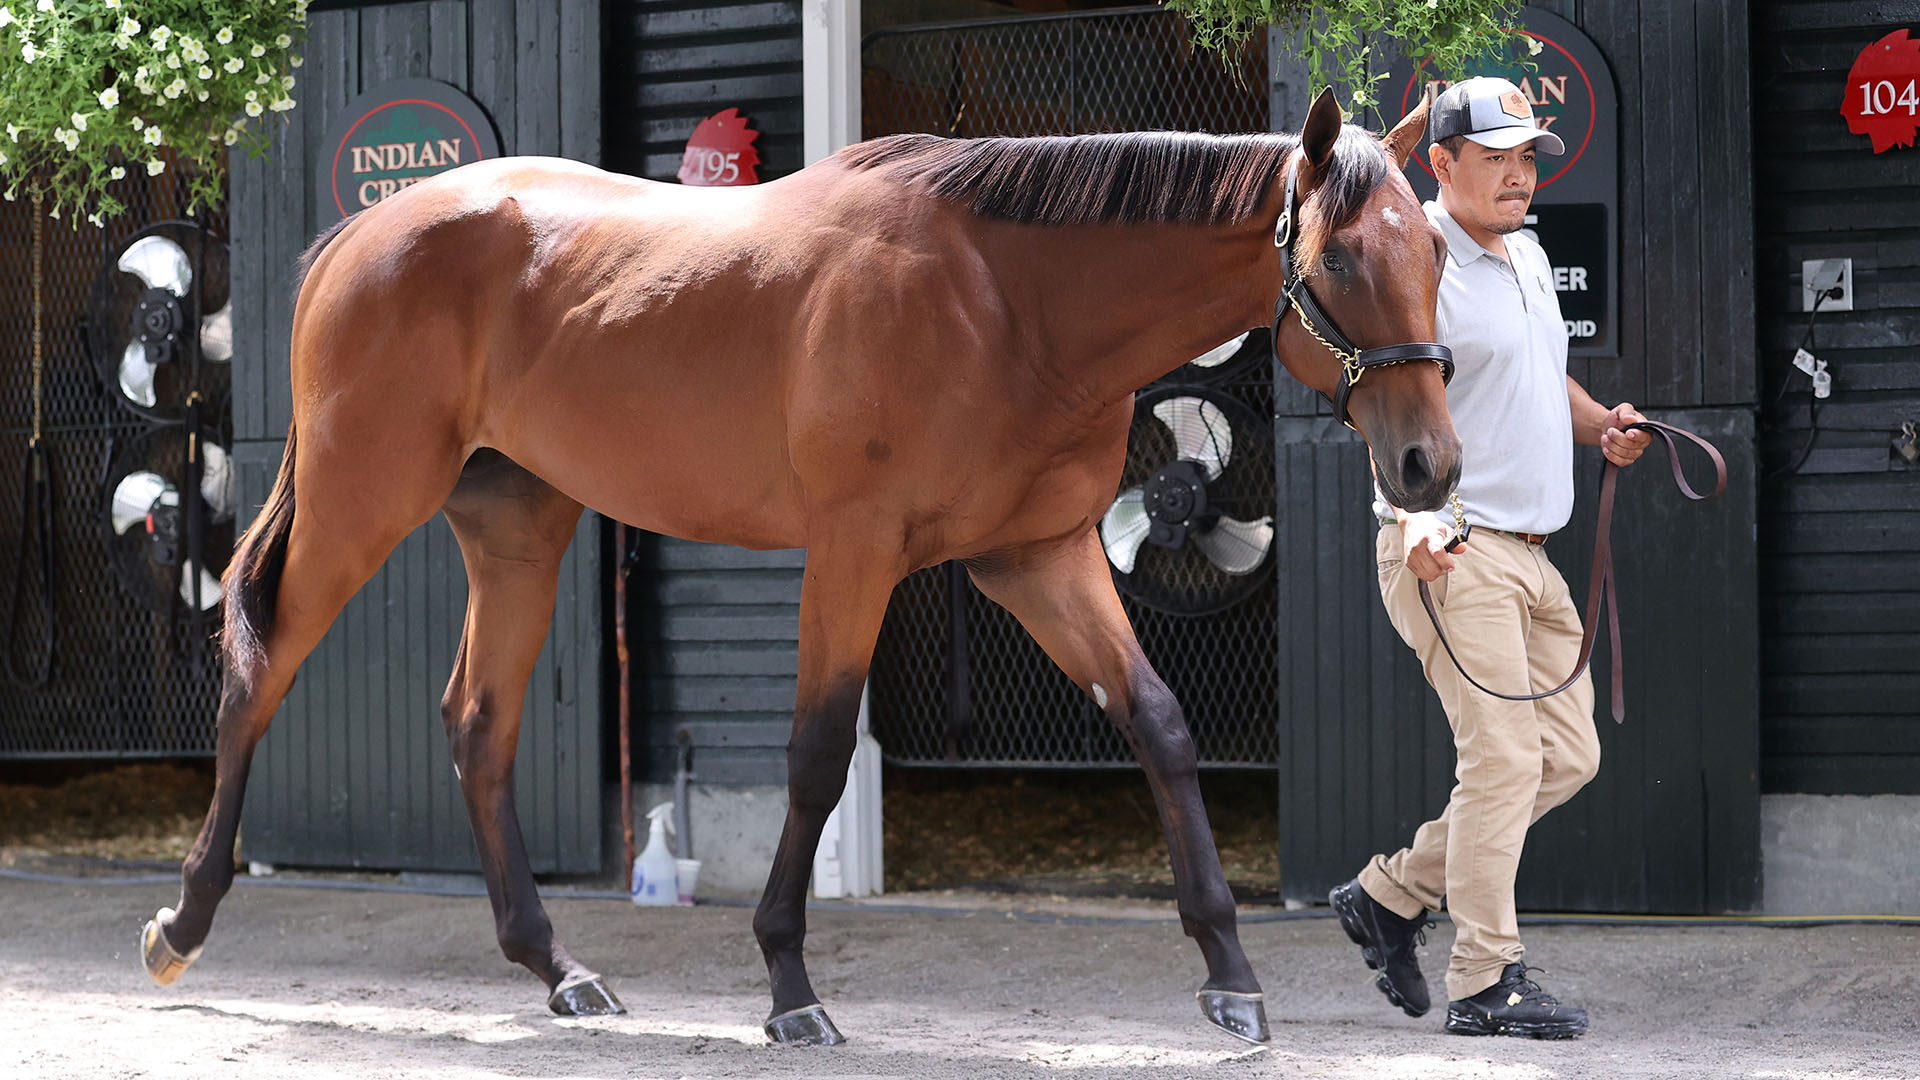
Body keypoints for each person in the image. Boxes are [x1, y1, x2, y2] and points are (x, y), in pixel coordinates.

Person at [1328, 76, 1652, 1040]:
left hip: (1536, 554)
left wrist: (1603, 428)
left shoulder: (1527, 253)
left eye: (1527, 158)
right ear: (1440, 163)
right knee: (1506, 758)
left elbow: (1537, 372)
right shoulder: (1412, 255)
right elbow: (1382, 391)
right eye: (1496, 158)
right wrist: (1410, 515)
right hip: (1453, 544)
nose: (1518, 176)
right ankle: (1484, 980)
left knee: (1570, 755)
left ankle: (1390, 895)